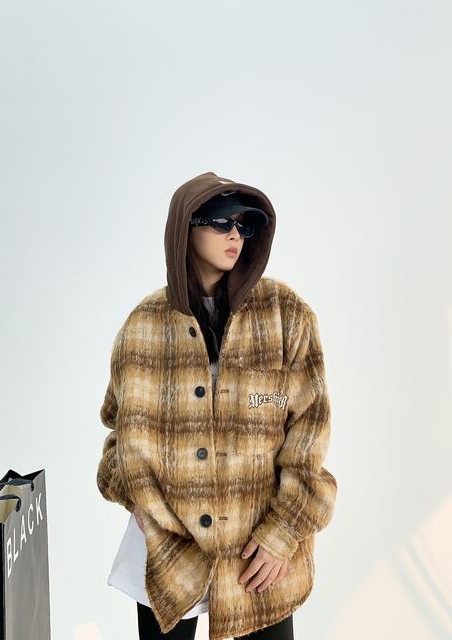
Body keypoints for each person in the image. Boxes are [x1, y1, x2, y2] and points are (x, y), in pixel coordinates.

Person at [97, 171, 337, 640]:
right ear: (185, 228)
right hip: (168, 553)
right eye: (222, 222)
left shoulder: (285, 315)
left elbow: (309, 433)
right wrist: (137, 499)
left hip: (259, 555)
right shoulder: (143, 325)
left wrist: (283, 532)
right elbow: (116, 431)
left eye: (244, 225)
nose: (235, 235)